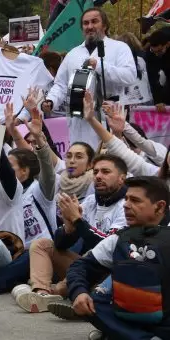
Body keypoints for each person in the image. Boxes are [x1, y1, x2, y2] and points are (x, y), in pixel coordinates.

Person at [15, 153, 128, 313]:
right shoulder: (90, 201)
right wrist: (69, 227)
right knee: (42, 244)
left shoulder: (126, 206)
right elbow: (61, 245)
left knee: (88, 256)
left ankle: (61, 293)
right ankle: (42, 293)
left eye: (105, 172)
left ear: (122, 178)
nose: (98, 176)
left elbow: (108, 247)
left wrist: (78, 221)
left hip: (110, 273)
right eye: (95, 172)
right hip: (85, 267)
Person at [67, 176, 170, 340]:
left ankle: (118, 333)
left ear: (159, 207)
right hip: (128, 313)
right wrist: (78, 292)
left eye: (135, 200)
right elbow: (80, 267)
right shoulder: (119, 238)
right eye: (126, 199)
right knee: (92, 303)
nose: (126, 205)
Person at [42, 7, 137, 150]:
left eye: (94, 22)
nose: (90, 26)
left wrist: (98, 66)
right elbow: (61, 85)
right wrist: (51, 101)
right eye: (86, 23)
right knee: (83, 161)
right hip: (79, 121)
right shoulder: (73, 54)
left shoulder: (119, 48)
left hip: (110, 118)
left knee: (109, 162)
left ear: (104, 25)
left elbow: (129, 76)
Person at [144, 27, 170, 112]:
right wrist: (159, 101)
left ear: (167, 44)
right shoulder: (150, 54)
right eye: (154, 51)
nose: (156, 54)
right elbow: (153, 78)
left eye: (159, 51)